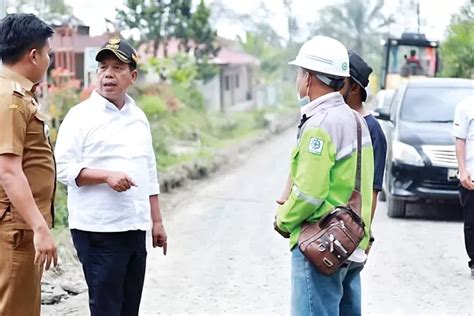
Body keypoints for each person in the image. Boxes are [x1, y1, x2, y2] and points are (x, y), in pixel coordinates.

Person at [54, 38, 168, 315]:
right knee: (106, 308)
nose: (108, 74)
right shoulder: (80, 116)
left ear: (132, 76)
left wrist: (157, 221)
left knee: (129, 308)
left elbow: (148, 169)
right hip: (98, 230)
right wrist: (106, 176)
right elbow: (62, 167)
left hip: (133, 227)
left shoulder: (138, 117)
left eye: (117, 67)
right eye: (103, 66)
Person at [274, 36, 374, 316]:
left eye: (299, 72)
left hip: (320, 247)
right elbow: (364, 184)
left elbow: (309, 192)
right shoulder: (355, 120)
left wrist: (283, 220)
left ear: (308, 78)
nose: (298, 79)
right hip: (351, 243)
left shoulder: (319, 124)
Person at [0, 13, 58, 316]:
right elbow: (9, 172)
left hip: (20, 224)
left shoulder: (19, 95)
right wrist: (39, 227)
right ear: (33, 55)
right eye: (48, 53)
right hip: (17, 227)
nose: (49, 60)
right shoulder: (10, 99)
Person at [340, 50, 387, 218]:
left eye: (340, 82)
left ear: (354, 88)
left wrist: (365, 232)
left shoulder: (373, 130)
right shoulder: (335, 122)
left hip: (350, 227)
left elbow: (373, 189)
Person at [453, 95, 474, 278]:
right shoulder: (466, 106)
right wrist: (463, 170)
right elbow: (460, 140)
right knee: (472, 221)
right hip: (472, 175)